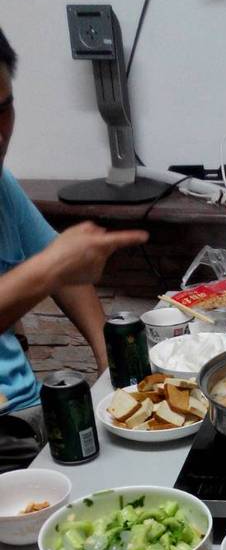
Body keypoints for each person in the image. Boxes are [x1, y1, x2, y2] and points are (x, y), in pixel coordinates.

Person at [0, 27, 148, 470]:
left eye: (3, 109)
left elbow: (63, 267)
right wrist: (49, 268)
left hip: (26, 414)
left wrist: (109, 366)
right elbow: (54, 263)